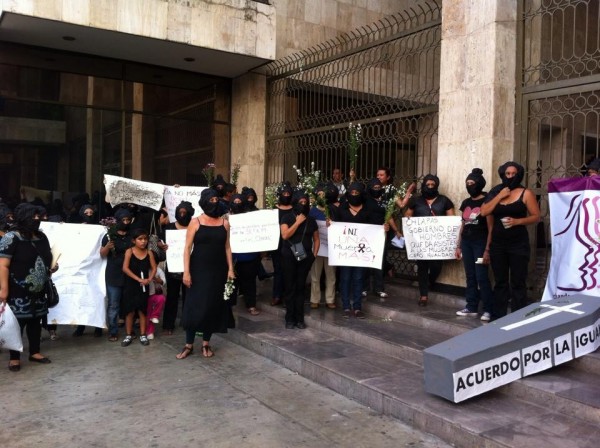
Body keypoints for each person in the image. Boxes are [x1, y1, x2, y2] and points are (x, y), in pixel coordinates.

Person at [177, 189, 235, 359]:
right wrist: (186, 272)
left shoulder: (224, 223)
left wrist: (231, 269)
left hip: (218, 271)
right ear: (204, 202)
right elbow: (187, 248)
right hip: (198, 270)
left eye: (217, 198)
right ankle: (188, 345)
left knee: (211, 306)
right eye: (211, 199)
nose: (214, 202)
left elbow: (227, 247)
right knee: (194, 306)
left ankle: (206, 344)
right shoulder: (195, 222)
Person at [0, 203, 58, 372]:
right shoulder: (12, 237)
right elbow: (3, 265)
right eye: (33, 216)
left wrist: (53, 267)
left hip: (39, 289)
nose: (37, 219)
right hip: (17, 289)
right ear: (24, 217)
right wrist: (3, 289)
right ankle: (14, 357)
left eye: (38, 216)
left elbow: (47, 258)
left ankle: (35, 352)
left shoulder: (42, 236)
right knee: (16, 323)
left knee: (35, 321)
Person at [481, 161, 540, 319]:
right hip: (498, 245)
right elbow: (484, 211)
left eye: (514, 174)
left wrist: (517, 221)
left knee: (518, 282)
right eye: (507, 174)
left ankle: (518, 318)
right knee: (500, 282)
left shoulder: (525, 193)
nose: (511, 177)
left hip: (518, 244)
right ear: (503, 174)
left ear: (519, 174)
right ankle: (498, 317)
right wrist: (500, 195)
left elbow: (536, 216)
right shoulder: (496, 192)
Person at [331, 182, 384, 318]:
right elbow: (335, 228)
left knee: (359, 278)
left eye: (357, 193)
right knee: (345, 278)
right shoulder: (341, 210)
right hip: (346, 253)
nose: (354, 195)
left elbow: (375, 229)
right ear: (348, 194)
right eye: (352, 193)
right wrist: (329, 224)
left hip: (361, 253)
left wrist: (384, 229)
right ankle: (346, 306)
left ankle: (357, 307)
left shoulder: (368, 211)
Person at [404, 174, 455, 306]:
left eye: (433, 185)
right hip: (421, 241)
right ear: (424, 185)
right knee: (422, 266)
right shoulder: (416, 200)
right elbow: (407, 216)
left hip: (438, 241)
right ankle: (423, 295)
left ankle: (429, 282)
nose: (430, 187)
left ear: (437, 186)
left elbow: (452, 219)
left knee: (436, 265)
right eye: (428, 185)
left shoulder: (444, 201)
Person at [455, 169, 494, 322]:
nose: (469, 186)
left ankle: (488, 309)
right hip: (466, 243)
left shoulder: (487, 202)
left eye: (472, 183)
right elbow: (463, 224)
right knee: (470, 275)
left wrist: (487, 249)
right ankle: (471, 306)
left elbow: (491, 228)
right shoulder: (466, 203)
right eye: (467, 183)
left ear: (479, 184)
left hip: (480, 243)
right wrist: (458, 245)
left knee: (481, 276)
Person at [280, 190, 319, 328]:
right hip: (288, 257)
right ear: (295, 203)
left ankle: (299, 318)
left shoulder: (311, 220)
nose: (303, 204)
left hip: (305, 257)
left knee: (300, 287)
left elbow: (316, 239)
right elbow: (285, 235)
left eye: (305, 202)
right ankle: (289, 318)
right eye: (300, 202)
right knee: (290, 287)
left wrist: (314, 255)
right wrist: (297, 223)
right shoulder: (286, 218)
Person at [99, 207, 133, 342]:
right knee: (113, 304)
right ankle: (113, 330)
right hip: (114, 274)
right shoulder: (109, 235)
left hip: (130, 273)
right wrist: (107, 247)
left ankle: (129, 331)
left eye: (128, 220)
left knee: (128, 304)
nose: (125, 222)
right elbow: (102, 254)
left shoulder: (132, 235)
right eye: (123, 220)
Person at [162, 201, 194, 335]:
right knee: (172, 297)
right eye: (180, 212)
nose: (182, 215)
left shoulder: (194, 227)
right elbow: (159, 242)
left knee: (189, 297)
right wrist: (162, 246)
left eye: (185, 213)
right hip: (173, 268)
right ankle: (169, 324)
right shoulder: (168, 228)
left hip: (190, 268)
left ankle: (188, 322)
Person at [121, 228, 157, 347]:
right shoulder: (129, 252)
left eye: (145, 239)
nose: (143, 241)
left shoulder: (149, 253)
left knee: (143, 311)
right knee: (130, 311)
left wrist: (149, 279)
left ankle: (142, 334)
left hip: (144, 286)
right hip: (131, 285)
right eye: (140, 239)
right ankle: (128, 335)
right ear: (134, 240)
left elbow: (154, 268)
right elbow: (125, 268)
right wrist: (138, 279)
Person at [230, 193, 260, 315]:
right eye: (235, 202)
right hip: (232, 258)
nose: (237, 204)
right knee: (231, 283)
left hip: (249, 256)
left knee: (250, 282)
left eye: (239, 201)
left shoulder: (251, 217)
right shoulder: (225, 218)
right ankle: (229, 306)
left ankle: (251, 305)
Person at [309, 184, 338, 309]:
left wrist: (331, 223)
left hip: (330, 247)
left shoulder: (331, 209)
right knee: (315, 275)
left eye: (323, 194)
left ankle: (330, 299)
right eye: (319, 194)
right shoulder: (312, 211)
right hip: (317, 247)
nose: (321, 196)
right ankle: (314, 299)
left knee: (331, 275)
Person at [270, 182, 294, 306]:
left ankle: (287, 296)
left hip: (291, 244)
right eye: (283, 193)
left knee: (289, 270)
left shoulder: (295, 209)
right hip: (277, 244)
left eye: (288, 193)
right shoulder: (273, 210)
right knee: (278, 269)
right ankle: (277, 295)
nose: (286, 195)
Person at [146, 262, 166, 340]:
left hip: (156, 294)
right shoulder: (145, 270)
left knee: (161, 298)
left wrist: (155, 278)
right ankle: (149, 331)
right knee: (148, 312)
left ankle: (155, 316)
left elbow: (164, 282)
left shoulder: (159, 270)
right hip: (146, 294)